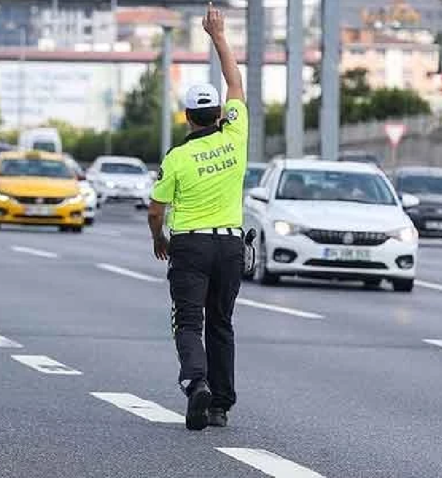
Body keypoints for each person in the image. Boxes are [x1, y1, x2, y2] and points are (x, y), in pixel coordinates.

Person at [147, 4, 248, 432]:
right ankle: (220, 405)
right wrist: (218, 36)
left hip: (190, 245)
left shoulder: (178, 157)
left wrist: (159, 238)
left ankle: (196, 382)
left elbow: (156, 209)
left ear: (187, 117)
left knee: (189, 322)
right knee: (221, 323)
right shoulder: (236, 135)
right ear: (220, 113)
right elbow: (235, 81)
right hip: (230, 245)